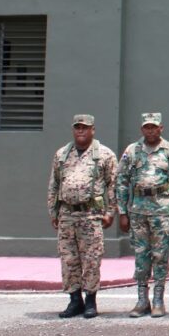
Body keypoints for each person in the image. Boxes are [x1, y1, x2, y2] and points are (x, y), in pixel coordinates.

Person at [115, 112, 169, 318]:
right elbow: (121, 181)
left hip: (162, 212)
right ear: (142, 129)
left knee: (160, 255)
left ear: (161, 128)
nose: (151, 130)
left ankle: (158, 300)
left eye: (154, 127)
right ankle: (142, 300)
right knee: (141, 255)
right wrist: (122, 212)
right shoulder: (132, 151)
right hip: (138, 211)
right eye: (147, 127)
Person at [47, 114, 117, 319]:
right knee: (69, 259)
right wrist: (53, 211)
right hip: (67, 214)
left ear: (92, 130)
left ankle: (91, 301)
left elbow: (113, 185)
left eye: (85, 127)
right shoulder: (62, 154)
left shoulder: (104, 155)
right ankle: (74, 300)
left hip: (91, 215)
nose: (80, 130)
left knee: (91, 259)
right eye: (77, 127)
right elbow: (54, 184)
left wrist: (110, 212)